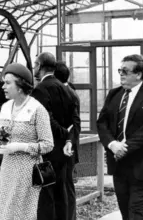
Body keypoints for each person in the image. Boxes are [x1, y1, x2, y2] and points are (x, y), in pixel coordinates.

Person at [97, 54, 143, 220]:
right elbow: (102, 123)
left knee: (137, 212)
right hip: (119, 164)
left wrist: (124, 147)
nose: (121, 74)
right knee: (125, 211)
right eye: (119, 70)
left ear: (138, 74)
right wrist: (112, 144)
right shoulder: (114, 94)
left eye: (125, 71)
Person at [0, 63, 54, 220]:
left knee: (23, 214)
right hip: (7, 170)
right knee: (5, 212)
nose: (3, 87)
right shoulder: (6, 107)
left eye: (8, 83)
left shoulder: (37, 110)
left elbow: (48, 144)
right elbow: (2, 135)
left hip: (27, 172)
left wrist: (20, 147)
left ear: (20, 86)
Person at [31, 52, 76, 220]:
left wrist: (62, 132)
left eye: (35, 64)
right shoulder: (66, 88)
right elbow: (73, 120)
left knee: (45, 196)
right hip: (63, 152)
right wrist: (67, 137)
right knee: (60, 194)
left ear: (41, 66)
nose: (34, 68)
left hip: (47, 152)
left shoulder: (41, 89)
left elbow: (45, 119)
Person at [54, 61, 81, 220]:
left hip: (66, 146)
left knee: (66, 186)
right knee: (66, 186)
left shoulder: (66, 93)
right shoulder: (70, 90)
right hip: (69, 146)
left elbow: (74, 123)